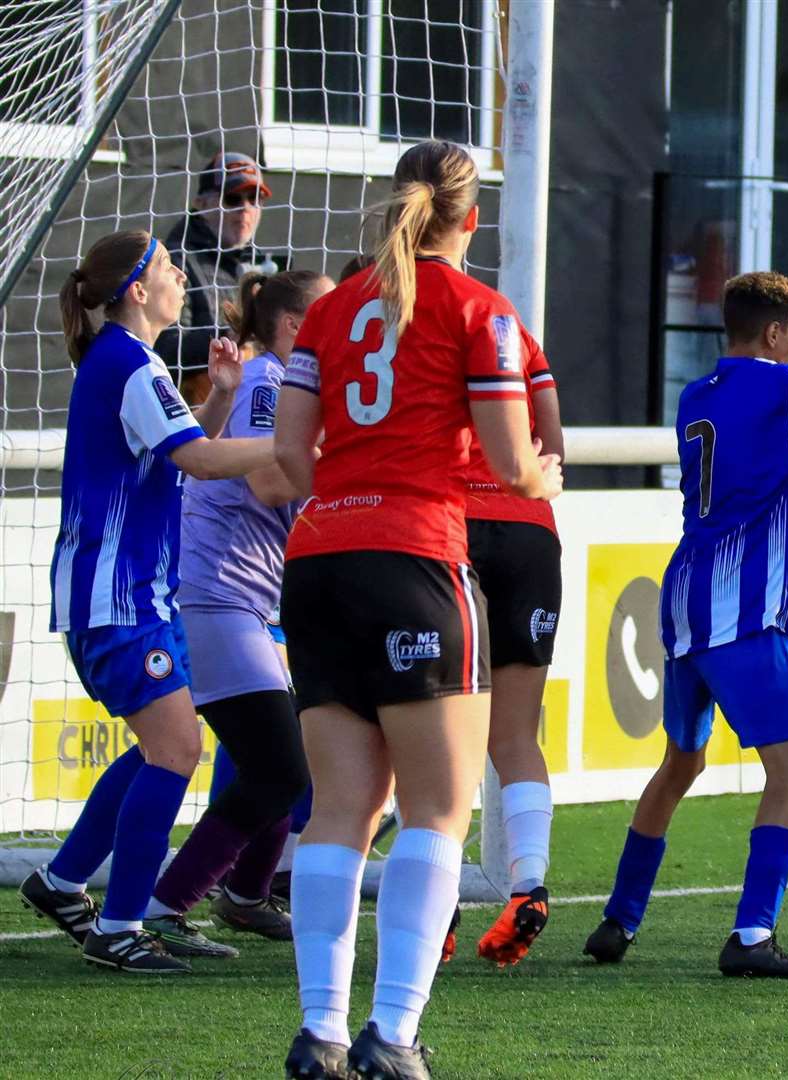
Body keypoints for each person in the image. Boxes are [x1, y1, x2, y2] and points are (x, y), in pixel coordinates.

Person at [272, 140, 561, 1079]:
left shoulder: (327, 309)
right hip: (416, 555)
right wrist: (539, 473)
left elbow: (290, 458)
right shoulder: (483, 310)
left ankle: (320, 1032)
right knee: (437, 809)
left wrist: (352, 490)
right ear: (470, 217)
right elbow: (513, 461)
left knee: (340, 810)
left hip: (316, 558)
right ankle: (392, 1035)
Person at [584, 271, 788, 979]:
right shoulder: (784, 384)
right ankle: (750, 936)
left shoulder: (695, 394)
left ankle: (618, 918)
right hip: (741, 611)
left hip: (683, 600)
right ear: (775, 333)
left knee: (680, 763)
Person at [16, 230, 276, 973]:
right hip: (117, 597)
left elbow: (189, 447)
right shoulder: (130, 364)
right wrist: (292, 447)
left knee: (164, 745)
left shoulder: (133, 363)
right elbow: (197, 459)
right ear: (137, 289)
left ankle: (64, 882)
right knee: (177, 749)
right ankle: (119, 927)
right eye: (166, 268)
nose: (178, 279)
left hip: (131, 595)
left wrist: (223, 396)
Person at [138, 270, 330, 958]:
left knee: (285, 758)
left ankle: (245, 896)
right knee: (277, 768)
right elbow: (267, 476)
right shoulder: (267, 383)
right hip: (215, 593)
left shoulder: (284, 386)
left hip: (247, 597)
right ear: (294, 327)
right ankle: (162, 906)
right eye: (326, 313)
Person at [467, 295, 564, 968]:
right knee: (515, 734)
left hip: (447, 532)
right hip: (530, 533)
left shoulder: (408, 327)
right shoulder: (517, 335)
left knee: (434, 731)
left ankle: (433, 907)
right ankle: (527, 883)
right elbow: (553, 452)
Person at [155, 151, 288, 405]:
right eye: (232, 199)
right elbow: (163, 350)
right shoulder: (175, 262)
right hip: (193, 413)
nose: (246, 209)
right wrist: (231, 333)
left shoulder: (255, 265)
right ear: (201, 204)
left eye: (254, 199)